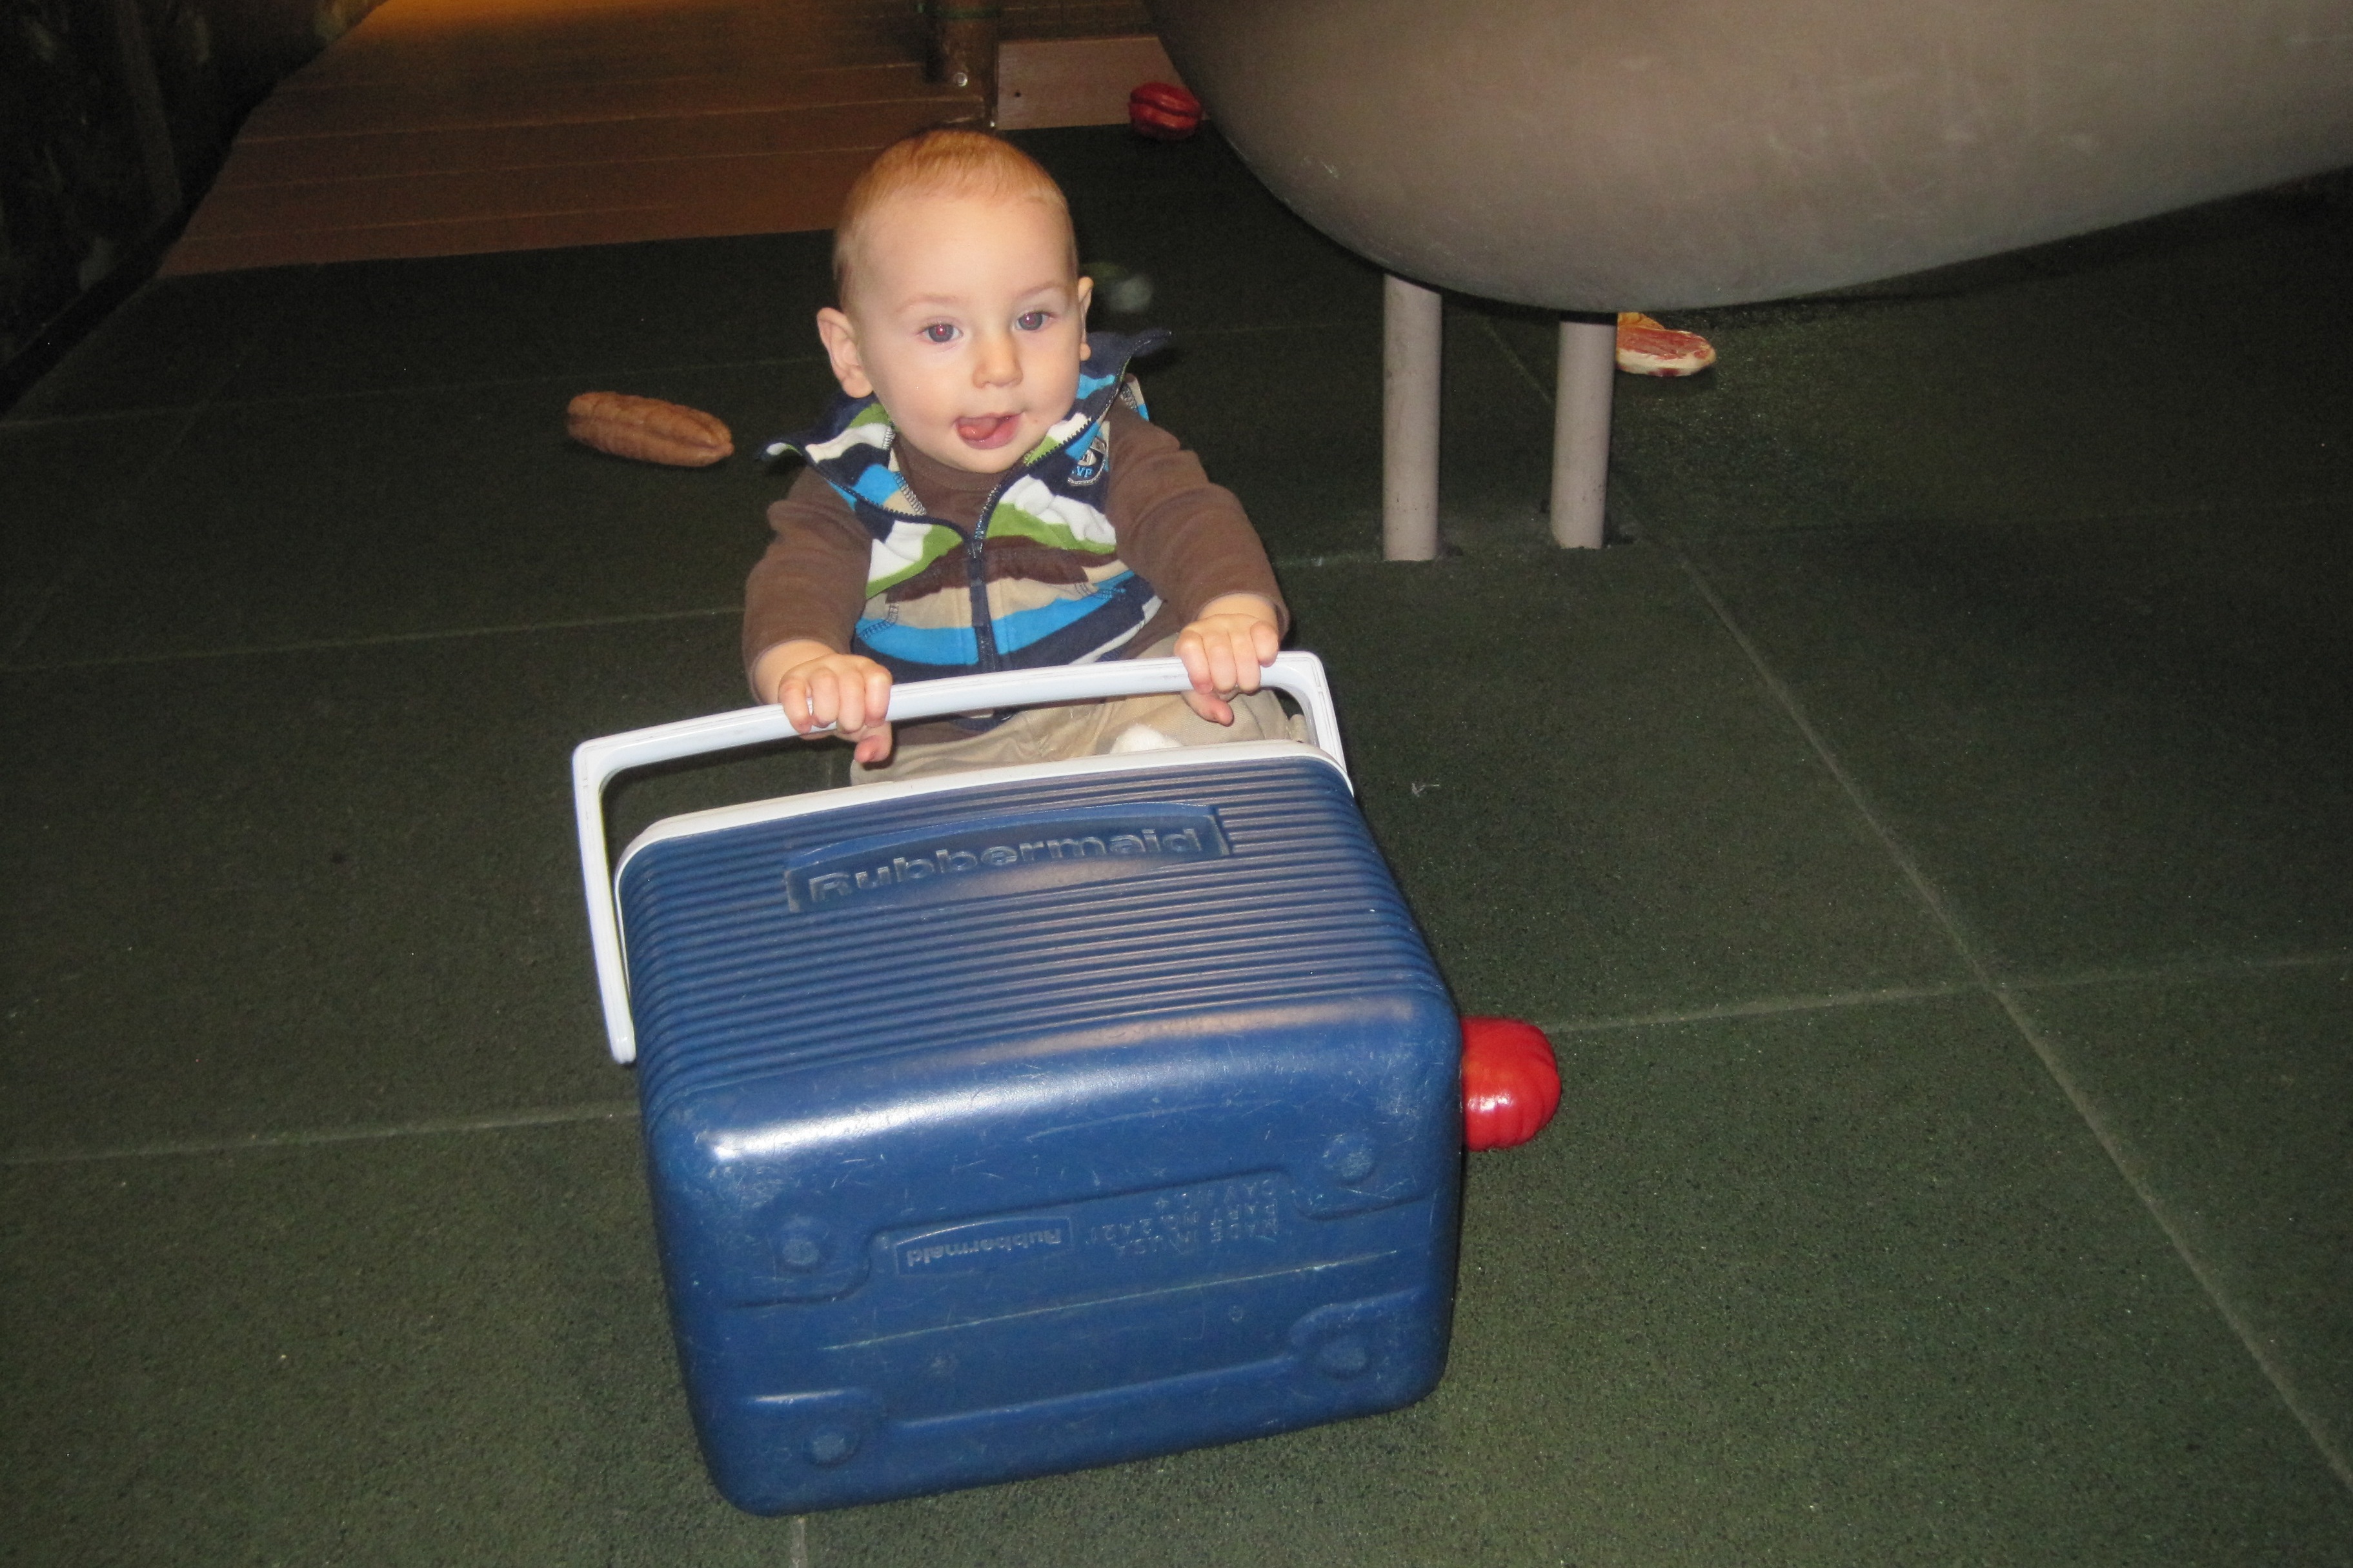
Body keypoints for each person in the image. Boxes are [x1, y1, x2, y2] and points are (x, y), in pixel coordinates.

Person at [743, 128, 1291, 778]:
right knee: (887, 809)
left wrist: (1229, 612)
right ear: (852, 352)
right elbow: (795, 585)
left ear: (1080, 319)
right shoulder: (849, 483)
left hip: (1129, 689)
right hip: (936, 741)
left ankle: (1169, 782)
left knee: (1230, 723)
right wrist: (806, 666)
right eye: (941, 331)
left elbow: (1187, 517)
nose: (999, 368)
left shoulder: (1102, 439)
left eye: (1033, 320)